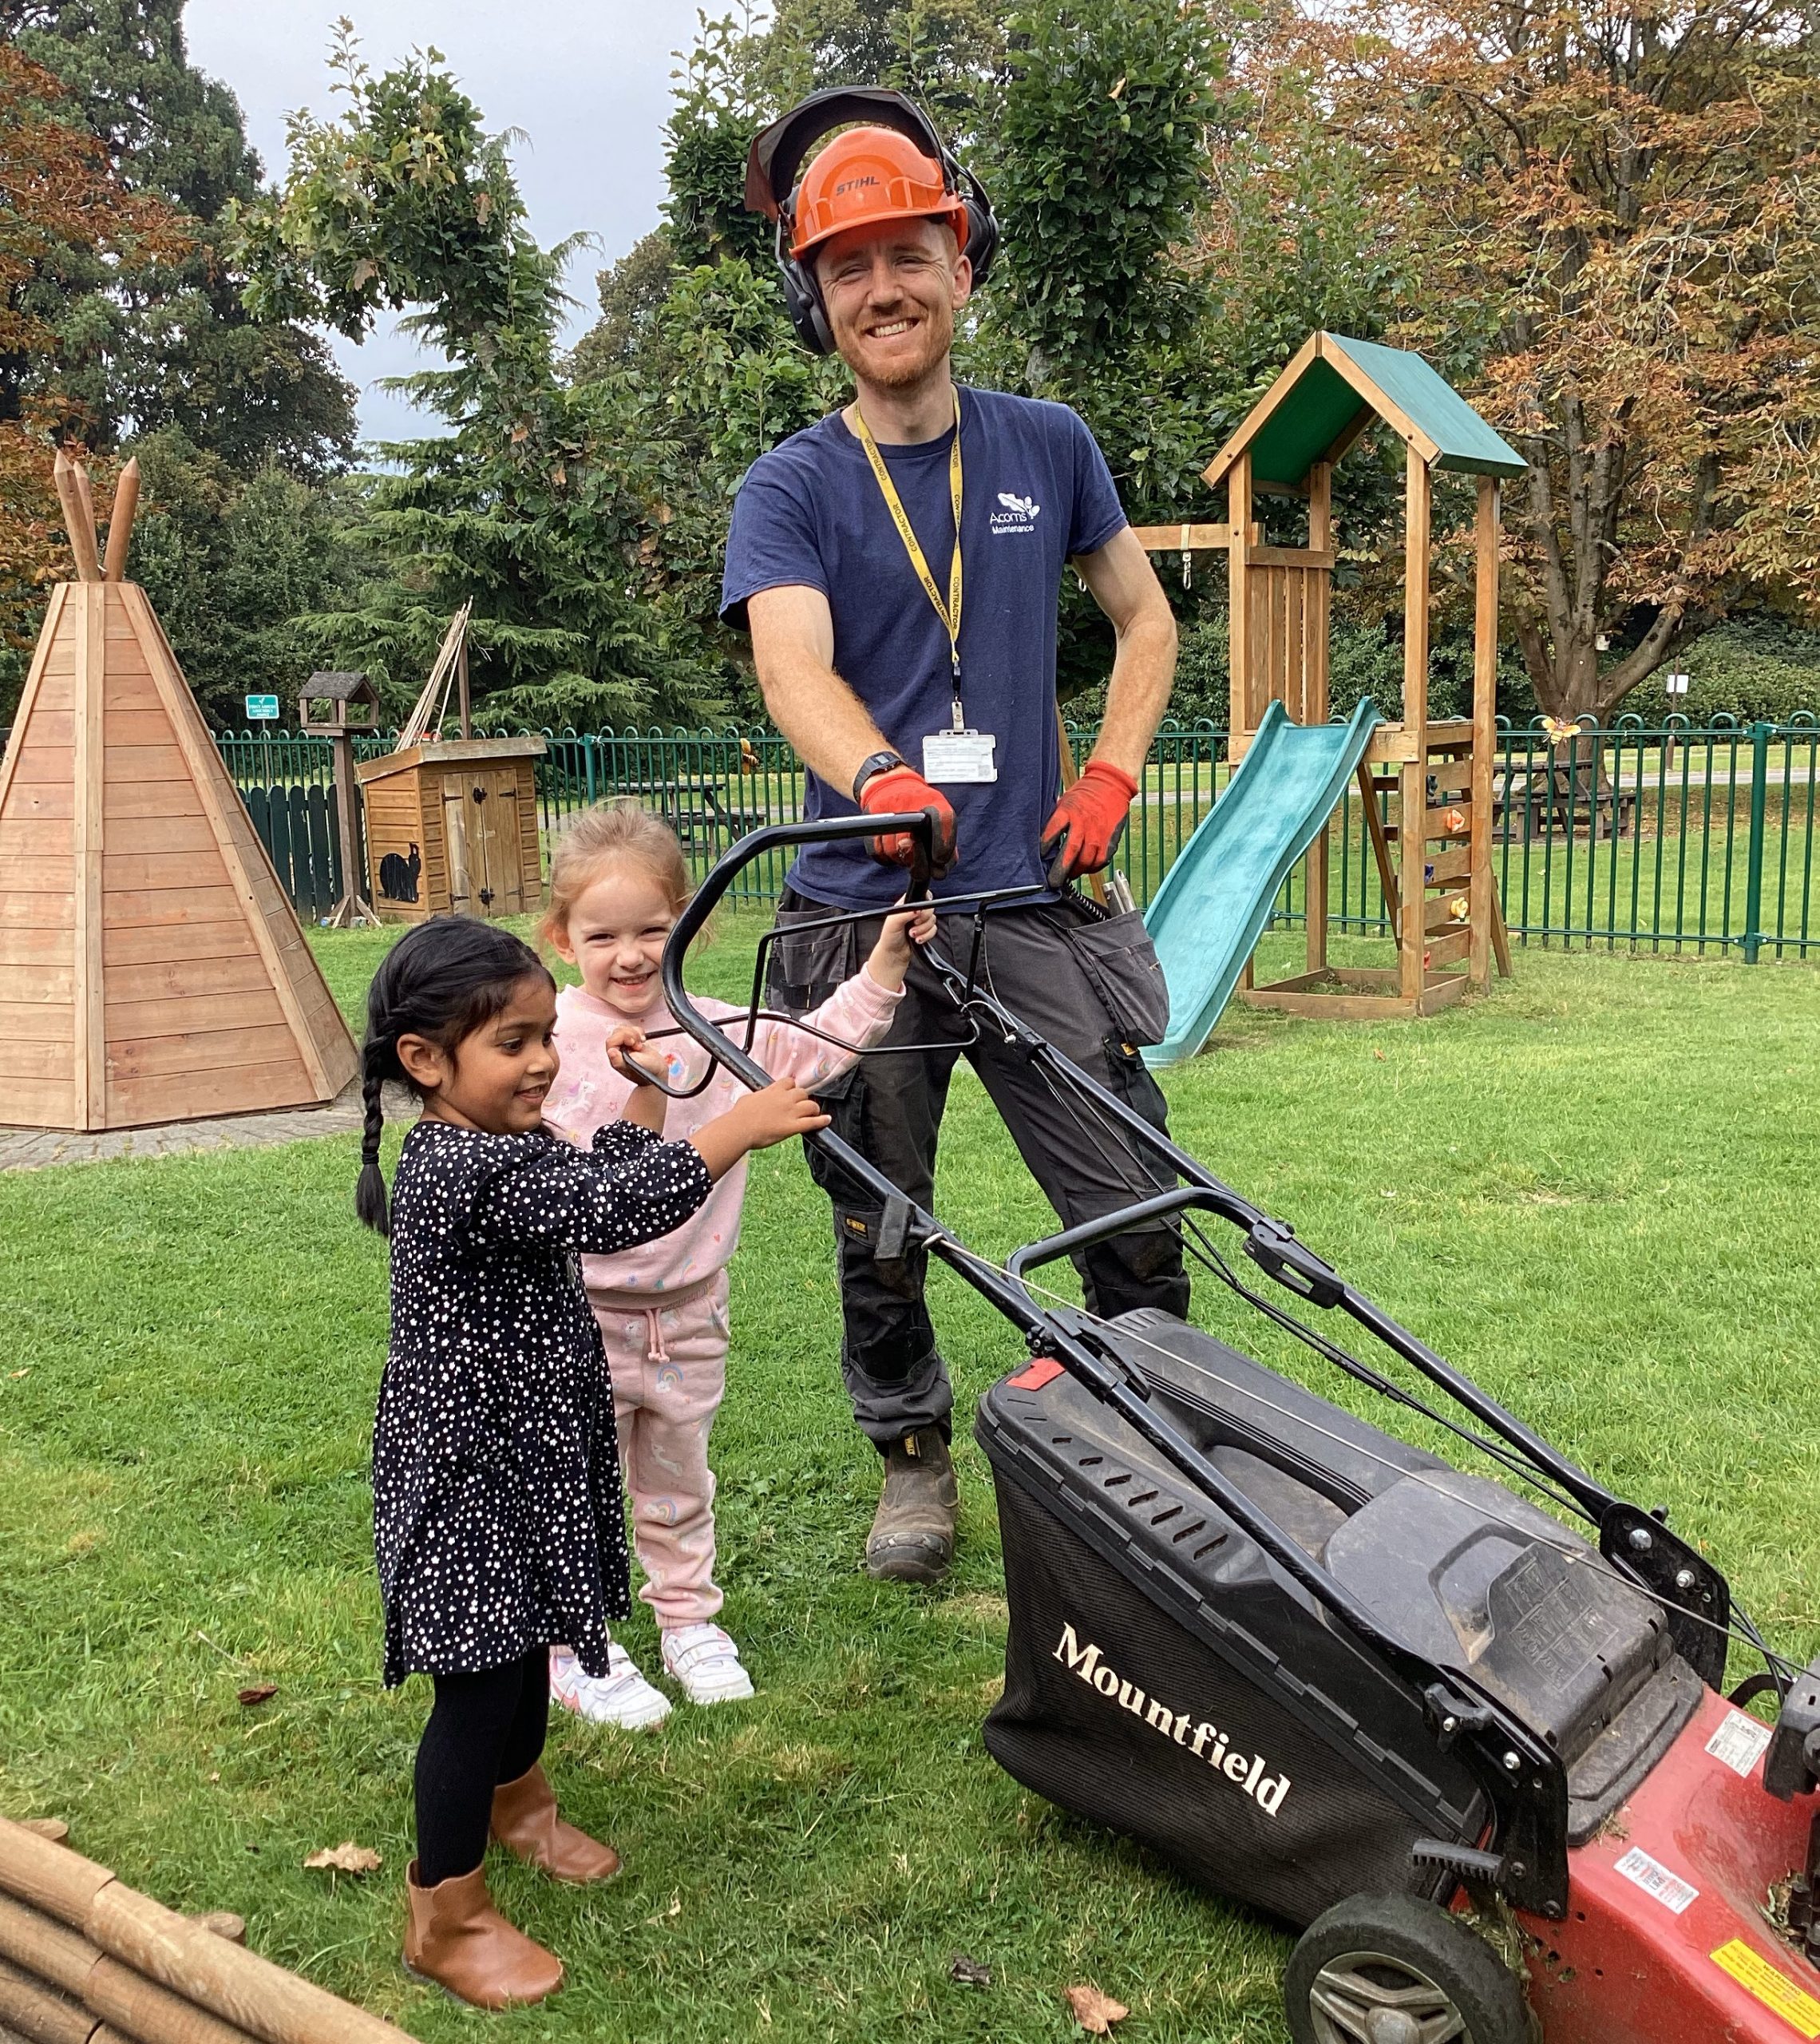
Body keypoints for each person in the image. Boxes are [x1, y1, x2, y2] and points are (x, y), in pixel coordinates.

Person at [723, 101, 1189, 1587]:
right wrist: (872, 770)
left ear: (962, 265)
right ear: (819, 299)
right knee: (877, 1217)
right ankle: (912, 1466)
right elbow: (792, 663)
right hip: (864, 918)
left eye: (910, 254)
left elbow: (1146, 619)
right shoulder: (792, 485)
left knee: (1132, 1188)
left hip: (1037, 902)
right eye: (849, 268)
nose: (884, 290)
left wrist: (1111, 772)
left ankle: (1167, 1435)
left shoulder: (1047, 447)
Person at [354, 915, 829, 2009]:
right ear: (426, 1062)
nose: (541, 1061)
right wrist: (736, 1125)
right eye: (512, 1044)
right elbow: (616, 1209)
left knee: (527, 1651)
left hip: (526, 1452)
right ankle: (447, 1910)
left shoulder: (508, 1152)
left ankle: (520, 1810)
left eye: (541, 1037)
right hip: (470, 1470)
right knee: (477, 1688)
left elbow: (603, 1174)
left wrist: (651, 1093)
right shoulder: (456, 1169)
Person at [536, 803, 936, 1729]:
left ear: (691, 923)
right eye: (603, 935)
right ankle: (573, 1647)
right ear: (563, 938)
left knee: (678, 1480)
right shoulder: (548, 1041)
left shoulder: (720, 1031)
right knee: (574, 1485)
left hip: (687, 1314)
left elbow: (824, 1046)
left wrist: (884, 961)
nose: (631, 955)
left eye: (653, 930)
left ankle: (689, 1623)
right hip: (579, 1316)